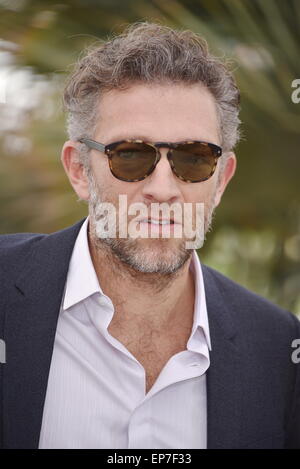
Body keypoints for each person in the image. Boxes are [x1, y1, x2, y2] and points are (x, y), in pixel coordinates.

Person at [0, 22, 299, 450]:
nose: (163, 188)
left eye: (194, 158)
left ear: (222, 181)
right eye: (131, 155)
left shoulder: (279, 348)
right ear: (79, 171)